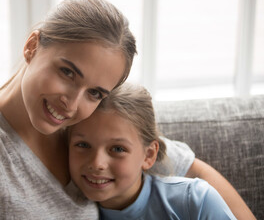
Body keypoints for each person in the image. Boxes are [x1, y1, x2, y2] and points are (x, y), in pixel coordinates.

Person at [0, 0, 254, 219]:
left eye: (95, 92)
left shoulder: (87, 128)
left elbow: (192, 169)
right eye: (67, 72)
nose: (71, 103)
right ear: (31, 47)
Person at [68, 82, 237, 219]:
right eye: (83, 145)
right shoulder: (63, 211)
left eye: (118, 148)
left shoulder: (195, 201)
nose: (97, 163)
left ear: (148, 155)